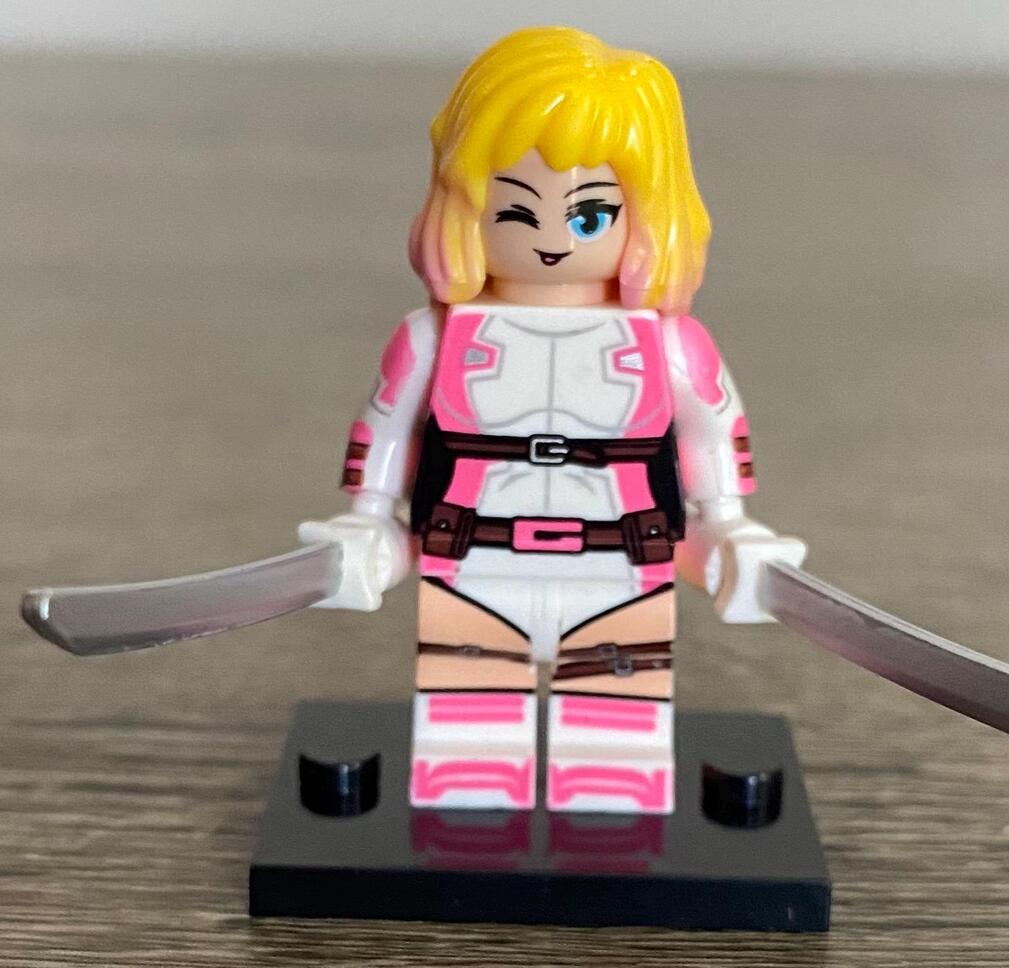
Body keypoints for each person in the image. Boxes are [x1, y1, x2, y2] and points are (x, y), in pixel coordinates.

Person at [299, 26, 807, 814]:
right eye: (516, 210)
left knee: (613, 766)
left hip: (619, 572)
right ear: (465, 206)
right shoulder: (432, 338)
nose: (550, 241)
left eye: (589, 216)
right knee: (467, 768)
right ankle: (466, 839)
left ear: (650, 214)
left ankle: (611, 840)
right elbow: (386, 429)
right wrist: (366, 522)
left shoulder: (669, 346)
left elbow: (714, 435)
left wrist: (730, 529)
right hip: (471, 569)